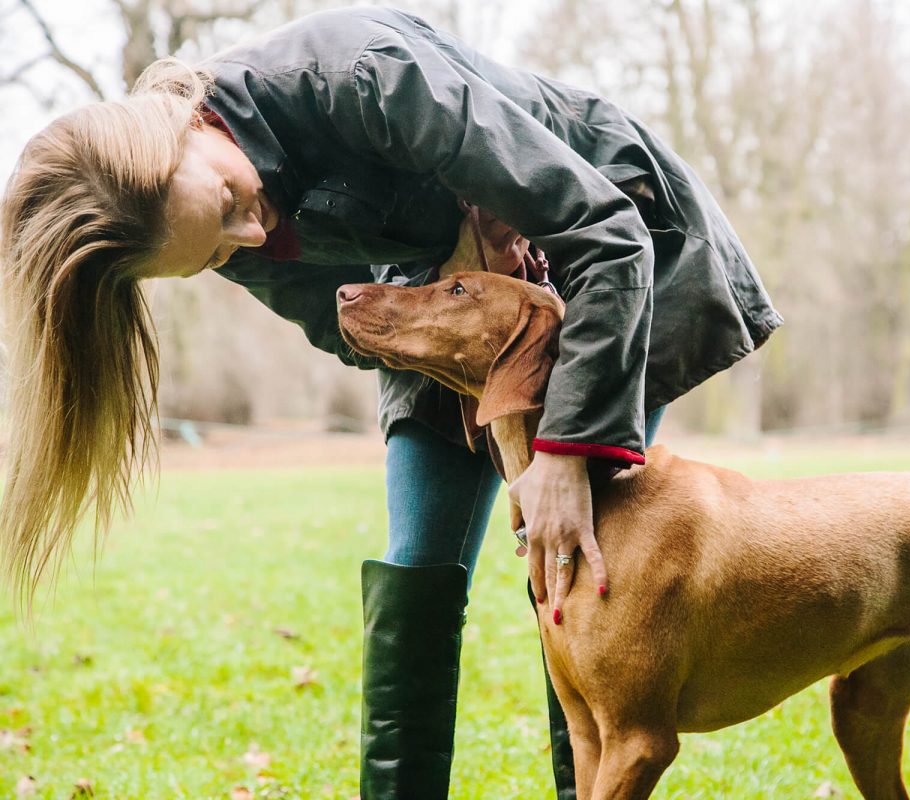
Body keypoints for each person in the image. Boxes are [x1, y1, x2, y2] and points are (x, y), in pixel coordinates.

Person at [0, 7, 782, 798]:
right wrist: (442, 299)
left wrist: (565, 451)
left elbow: (607, 232)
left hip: (601, 266)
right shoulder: (215, 228)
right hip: (437, 309)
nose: (249, 229)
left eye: (234, 199)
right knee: (417, 569)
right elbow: (342, 325)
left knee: (575, 565)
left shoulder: (362, 74)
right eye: (212, 253)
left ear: (185, 125)